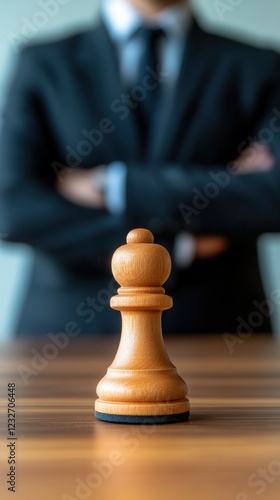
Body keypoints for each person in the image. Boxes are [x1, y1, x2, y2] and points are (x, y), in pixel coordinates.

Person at [0, 0, 280, 336]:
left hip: (220, 332)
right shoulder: (42, 63)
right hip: (64, 336)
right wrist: (178, 248)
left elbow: (273, 198)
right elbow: (12, 208)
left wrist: (116, 184)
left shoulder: (258, 65)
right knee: (12, 393)